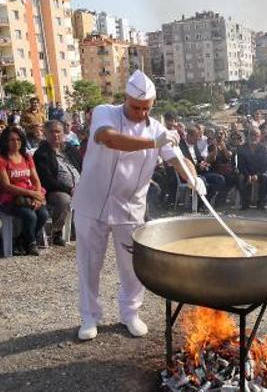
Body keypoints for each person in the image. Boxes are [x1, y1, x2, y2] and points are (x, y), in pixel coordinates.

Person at [71, 70, 203, 341]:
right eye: (136, 107)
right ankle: (89, 316)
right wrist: (154, 143)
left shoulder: (157, 128)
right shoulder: (104, 112)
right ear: (125, 99)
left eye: (147, 108)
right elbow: (108, 139)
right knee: (89, 263)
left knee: (132, 266)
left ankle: (130, 313)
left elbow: (177, 160)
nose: (141, 112)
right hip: (92, 202)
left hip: (130, 207)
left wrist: (193, 176)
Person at [0, 126, 49, 256]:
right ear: (5, 142)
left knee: (43, 214)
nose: (16, 142)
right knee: (29, 215)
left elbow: (35, 179)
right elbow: (6, 185)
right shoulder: (0, 160)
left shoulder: (27, 157)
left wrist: (37, 197)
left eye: (18, 139)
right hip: (8, 199)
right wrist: (32, 194)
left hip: (28, 196)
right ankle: (30, 243)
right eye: (11, 140)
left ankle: (22, 240)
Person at [32, 120, 82, 246]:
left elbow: (82, 167)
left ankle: (86, 229)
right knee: (64, 200)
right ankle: (57, 232)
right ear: (45, 133)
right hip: (55, 190)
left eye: (58, 131)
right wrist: (69, 189)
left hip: (78, 186)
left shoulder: (70, 149)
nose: (56, 135)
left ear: (63, 133)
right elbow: (47, 180)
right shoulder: (42, 153)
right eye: (52, 132)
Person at [181, 126, 225, 206]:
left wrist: (204, 163)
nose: (197, 139)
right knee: (203, 181)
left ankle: (205, 201)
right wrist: (199, 165)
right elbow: (185, 162)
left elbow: (199, 158)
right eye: (196, 137)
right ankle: (199, 204)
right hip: (189, 174)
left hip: (200, 171)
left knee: (220, 179)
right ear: (189, 136)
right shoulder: (181, 146)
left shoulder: (194, 145)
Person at [237, 128, 267, 210]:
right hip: (246, 172)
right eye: (251, 135)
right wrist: (247, 175)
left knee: (266, 178)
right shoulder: (242, 148)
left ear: (260, 137)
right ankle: (245, 203)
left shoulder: (263, 149)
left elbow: (265, 165)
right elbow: (241, 165)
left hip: (259, 173)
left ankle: (261, 203)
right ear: (248, 136)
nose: (253, 137)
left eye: (256, 135)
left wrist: (257, 175)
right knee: (240, 178)